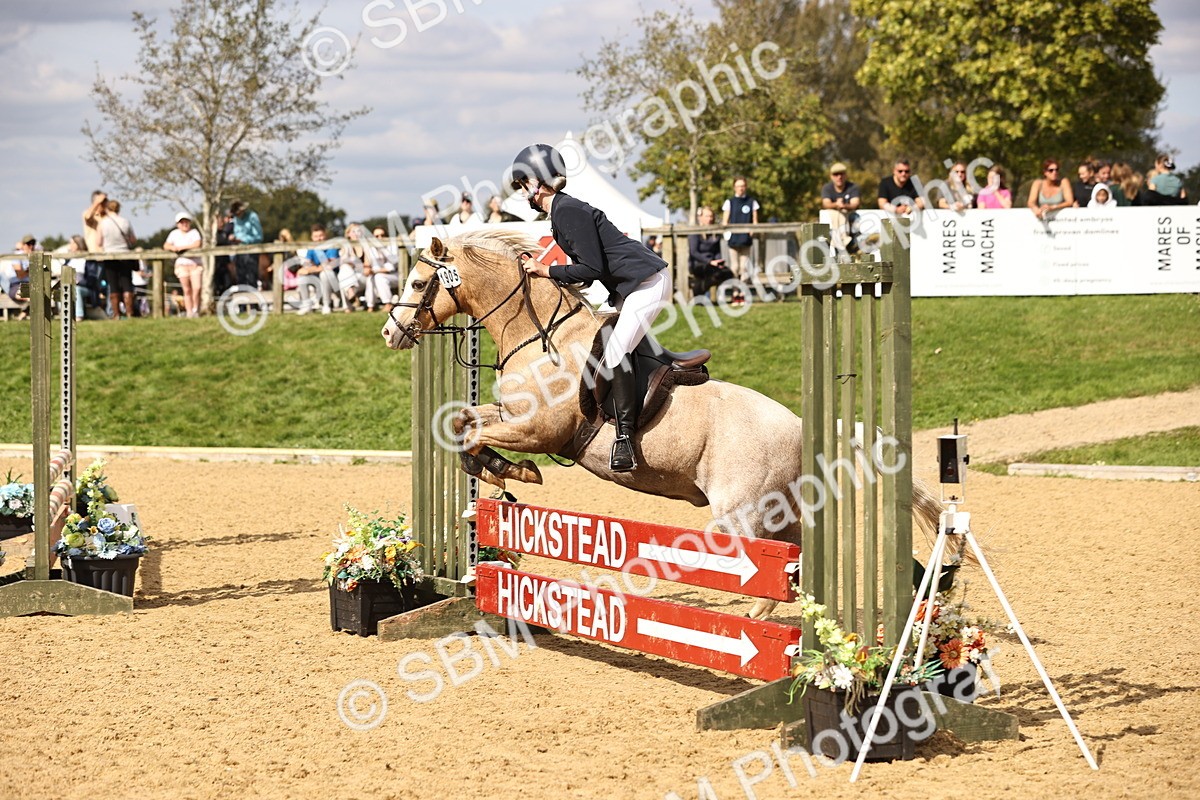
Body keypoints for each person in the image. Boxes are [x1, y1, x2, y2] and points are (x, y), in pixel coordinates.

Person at [511, 143, 672, 473]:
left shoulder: (567, 210)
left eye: (523, 183)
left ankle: (625, 440)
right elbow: (588, 270)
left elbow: (592, 268)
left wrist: (546, 270)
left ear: (537, 182)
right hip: (631, 286)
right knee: (602, 343)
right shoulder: (562, 211)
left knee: (615, 353)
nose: (523, 191)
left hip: (646, 284)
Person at [97, 198, 137, 319]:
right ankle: (129, 313)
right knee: (127, 284)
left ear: (107, 209)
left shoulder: (103, 223)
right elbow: (133, 240)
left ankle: (116, 314)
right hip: (125, 255)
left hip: (110, 256)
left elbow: (98, 242)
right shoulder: (125, 221)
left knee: (113, 285)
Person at [721, 177, 759, 302]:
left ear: (746, 187)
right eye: (738, 186)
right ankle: (735, 292)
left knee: (744, 267)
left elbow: (755, 220)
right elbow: (725, 220)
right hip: (733, 239)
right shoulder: (729, 202)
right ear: (734, 187)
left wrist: (752, 232)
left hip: (746, 239)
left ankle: (742, 293)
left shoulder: (752, 202)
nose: (741, 188)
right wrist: (727, 234)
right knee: (735, 267)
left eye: (742, 185)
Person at [688, 206, 733, 299]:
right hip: (698, 264)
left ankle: (699, 290)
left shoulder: (715, 233)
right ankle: (698, 291)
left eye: (711, 216)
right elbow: (694, 252)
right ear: (700, 217)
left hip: (713, 264)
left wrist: (719, 261)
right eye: (707, 216)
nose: (710, 219)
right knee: (715, 273)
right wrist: (710, 261)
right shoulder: (695, 232)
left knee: (728, 273)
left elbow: (717, 251)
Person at [164, 211, 203, 317]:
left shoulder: (194, 232)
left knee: (197, 288)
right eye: (182, 222)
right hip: (182, 265)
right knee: (187, 289)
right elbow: (166, 245)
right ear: (178, 224)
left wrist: (183, 248)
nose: (184, 224)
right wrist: (173, 248)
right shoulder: (174, 234)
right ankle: (189, 312)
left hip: (195, 265)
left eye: (186, 222)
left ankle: (196, 309)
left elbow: (197, 244)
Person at [297, 223, 341, 314]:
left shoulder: (332, 246)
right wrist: (307, 269)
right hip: (318, 277)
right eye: (316, 236)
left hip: (334, 281)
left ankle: (326, 305)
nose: (319, 239)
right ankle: (306, 306)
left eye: (321, 235)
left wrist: (311, 269)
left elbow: (329, 266)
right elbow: (307, 264)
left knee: (325, 274)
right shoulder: (312, 248)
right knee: (302, 276)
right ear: (312, 237)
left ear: (325, 235)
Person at [821, 162, 861, 254]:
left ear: (845, 175)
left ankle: (839, 243)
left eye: (841, 174)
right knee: (836, 214)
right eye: (836, 174)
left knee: (842, 213)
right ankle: (844, 240)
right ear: (831, 176)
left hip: (850, 218)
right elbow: (826, 204)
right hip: (834, 218)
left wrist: (844, 205)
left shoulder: (853, 187)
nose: (839, 177)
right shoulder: (827, 188)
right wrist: (836, 204)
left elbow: (855, 204)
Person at [80, 190, 107, 310]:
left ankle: (109, 311)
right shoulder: (90, 214)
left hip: (108, 256)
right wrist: (97, 203)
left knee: (107, 286)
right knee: (94, 284)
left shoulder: (106, 216)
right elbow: (87, 217)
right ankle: (96, 308)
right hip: (94, 257)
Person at [363, 226, 400, 312]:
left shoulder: (393, 247)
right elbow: (367, 265)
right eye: (377, 236)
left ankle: (388, 304)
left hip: (395, 275)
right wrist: (367, 269)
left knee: (379, 277)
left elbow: (391, 267)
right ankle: (371, 306)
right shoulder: (370, 248)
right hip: (377, 275)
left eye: (382, 235)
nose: (380, 238)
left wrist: (374, 271)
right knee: (370, 278)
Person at [229, 199, 264, 287]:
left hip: (251, 251)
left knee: (251, 278)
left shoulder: (252, 217)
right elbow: (237, 232)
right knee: (240, 278)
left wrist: (243, 240)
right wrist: (233, 238)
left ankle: (253, 295)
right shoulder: (236, 219)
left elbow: (259, 236)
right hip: (239, 251)